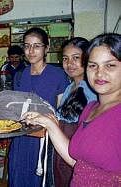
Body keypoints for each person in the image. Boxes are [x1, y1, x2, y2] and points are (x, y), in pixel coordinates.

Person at [23, 33, 121, 186]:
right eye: (93, 65)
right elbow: (79, 163)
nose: (100, 73)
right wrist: (49, 122)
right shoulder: (89, 107)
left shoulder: (106, 105)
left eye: (110, 65)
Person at [8, 27, 69, 187]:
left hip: (45, 137)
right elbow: (17, 108)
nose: (31, 50)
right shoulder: (19, 75)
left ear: (46, 48)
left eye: (37, 46)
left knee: (39, 178)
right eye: (27, 46)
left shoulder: (58, 75)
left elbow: (61, 112)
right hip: (21, 137)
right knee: (18, 176)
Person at [54, 37, 97, 186]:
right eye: (65, 58)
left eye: (76, 58)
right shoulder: (70, 87)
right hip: (64, 149)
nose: (69, 64)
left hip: (78, 155)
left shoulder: (94, 91)